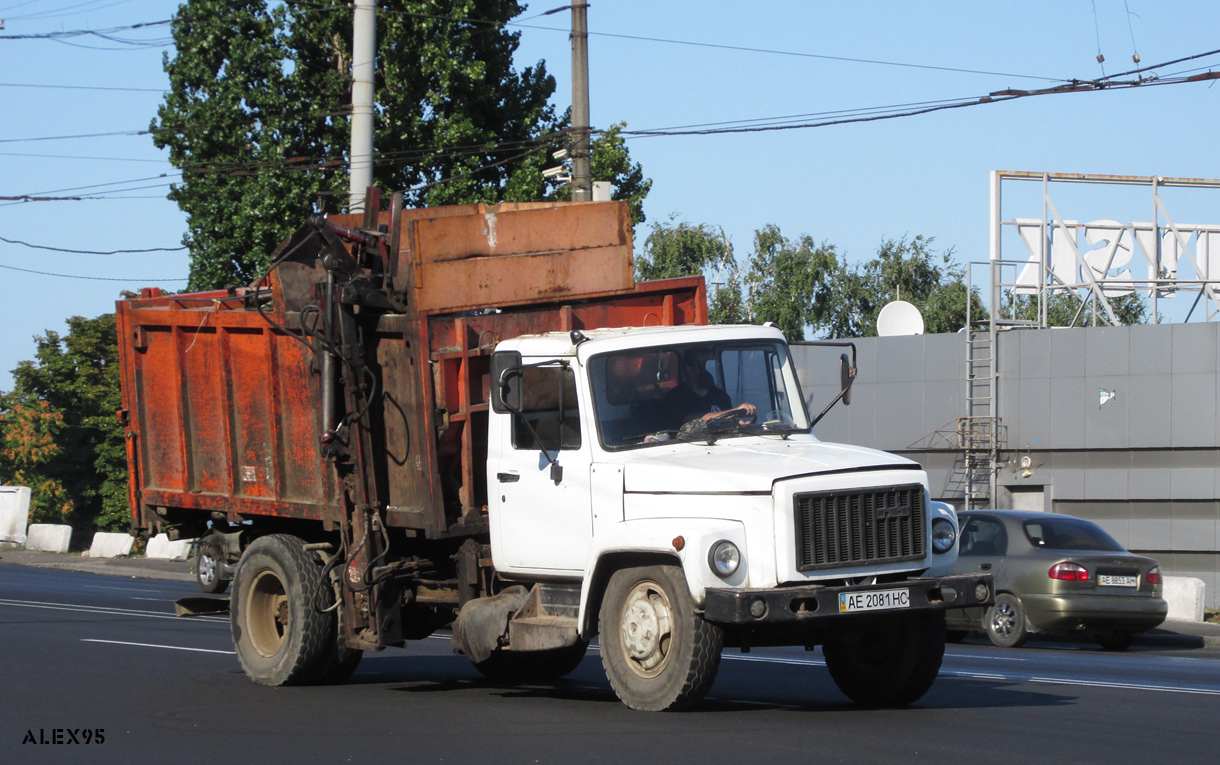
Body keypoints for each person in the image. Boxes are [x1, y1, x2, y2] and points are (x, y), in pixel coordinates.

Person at [661, 348, 757, 431]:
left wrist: (739, 425)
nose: (710, 371)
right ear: (689, 370)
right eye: (704, 365)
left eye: (713, 365)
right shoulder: (676, 397)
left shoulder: (721, 396)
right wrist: (735, 411)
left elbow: (728, 423)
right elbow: (690, 420)